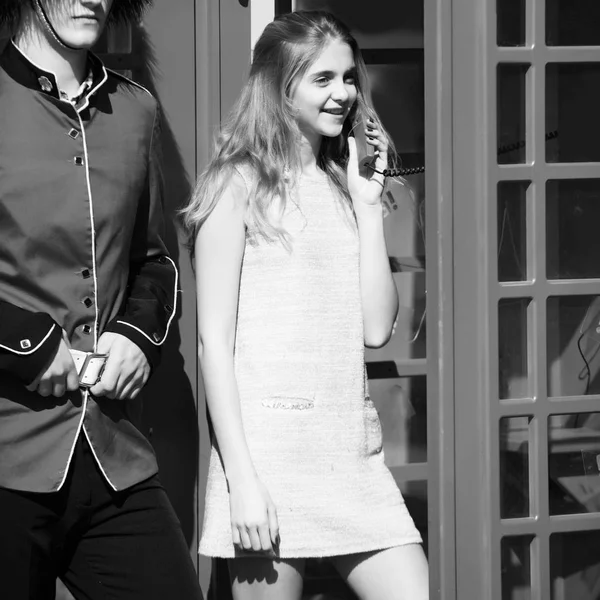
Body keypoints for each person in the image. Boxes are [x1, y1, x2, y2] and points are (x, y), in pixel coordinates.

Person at [182, 10, 429, 600]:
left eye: (348, 77)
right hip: (267, 458)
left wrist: (370, 209)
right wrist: (241, 479)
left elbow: (376, 329)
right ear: (277, 83)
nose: (344, 92)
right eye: (322, 79)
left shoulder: (346, 186)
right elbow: (213, 343)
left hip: (349, 455)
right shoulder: (234, 185)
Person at [0, 1, 203, 598]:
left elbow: (154, 259)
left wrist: (136, 337)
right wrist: (29, 346)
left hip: (113, 453)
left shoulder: (136, 108)